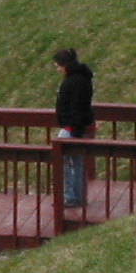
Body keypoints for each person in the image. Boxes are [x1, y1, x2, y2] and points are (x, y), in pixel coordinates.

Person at [52, 47, 94, 210]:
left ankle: (68, 196)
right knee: (77, 162)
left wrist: (75, 132)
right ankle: (78, 196)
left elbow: (76, 108)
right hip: (82, 127)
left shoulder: (72, 82)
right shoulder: (83, 78)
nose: (57, 69)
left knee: (60, 159)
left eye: (58, 66)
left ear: (65, 65)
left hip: (73, 128)